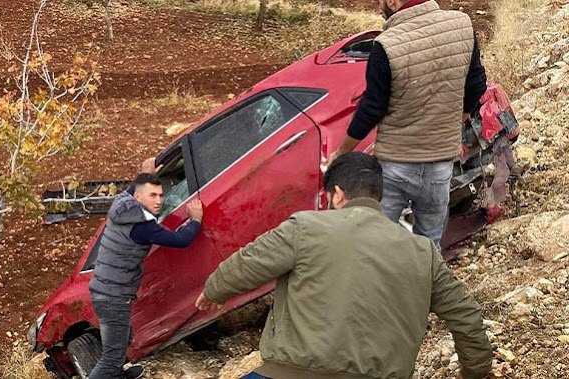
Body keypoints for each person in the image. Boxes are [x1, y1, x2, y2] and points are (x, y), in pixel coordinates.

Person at [196, 152, 492, 379]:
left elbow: (248, 263)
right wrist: (475, 370)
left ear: (337, 195)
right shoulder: (422, 251)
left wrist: (213, 290)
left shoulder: (305, 226)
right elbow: (465, 315)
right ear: (377, 195)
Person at [330, 0, 487, 250]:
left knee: (380, 246)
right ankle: (424, 286)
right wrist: (456, 121)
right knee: (429, 247)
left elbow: (371, 109)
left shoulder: (386, 45)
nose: (379, 5)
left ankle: (384, 287)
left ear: (393, 2)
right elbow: (477, 85)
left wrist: (341, 152)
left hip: (395, 166)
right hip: (440, 163)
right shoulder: (463, 26)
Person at [88, 171, 204, 379]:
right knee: (112, 356)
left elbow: (134, 188)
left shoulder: (122, 205)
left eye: (160, 195)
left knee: (124, 338)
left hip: (106, 291)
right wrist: (195, 220)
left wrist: (147, 174)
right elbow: (180, 240)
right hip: (112, 296)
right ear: (139, 197)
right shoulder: (143, 227)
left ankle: (118, 376)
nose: (159, 201)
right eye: (153, 196)